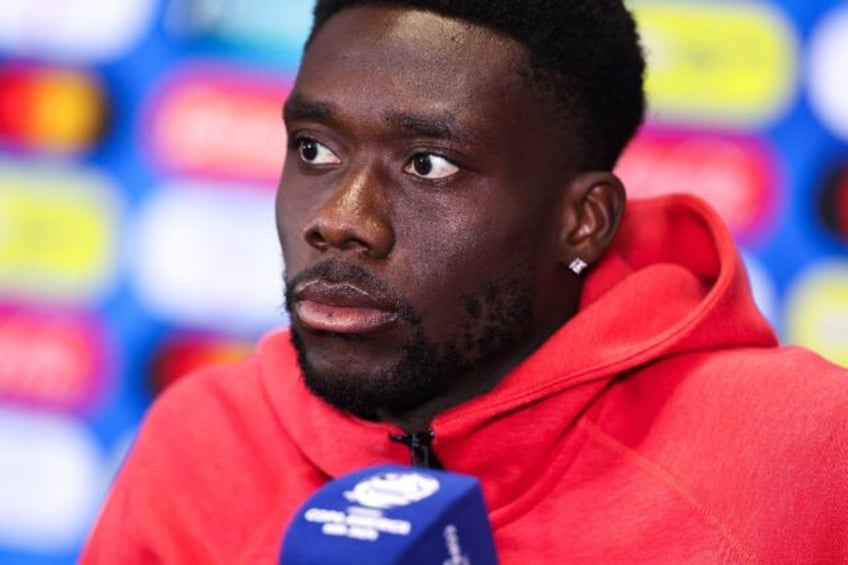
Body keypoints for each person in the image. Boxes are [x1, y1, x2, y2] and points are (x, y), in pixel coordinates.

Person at [82, 1, 848, 562]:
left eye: (429, 165)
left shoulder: (802, 450)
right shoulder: (205, 439)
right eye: (315, 150)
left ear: (582, 221)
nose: (342, 220)